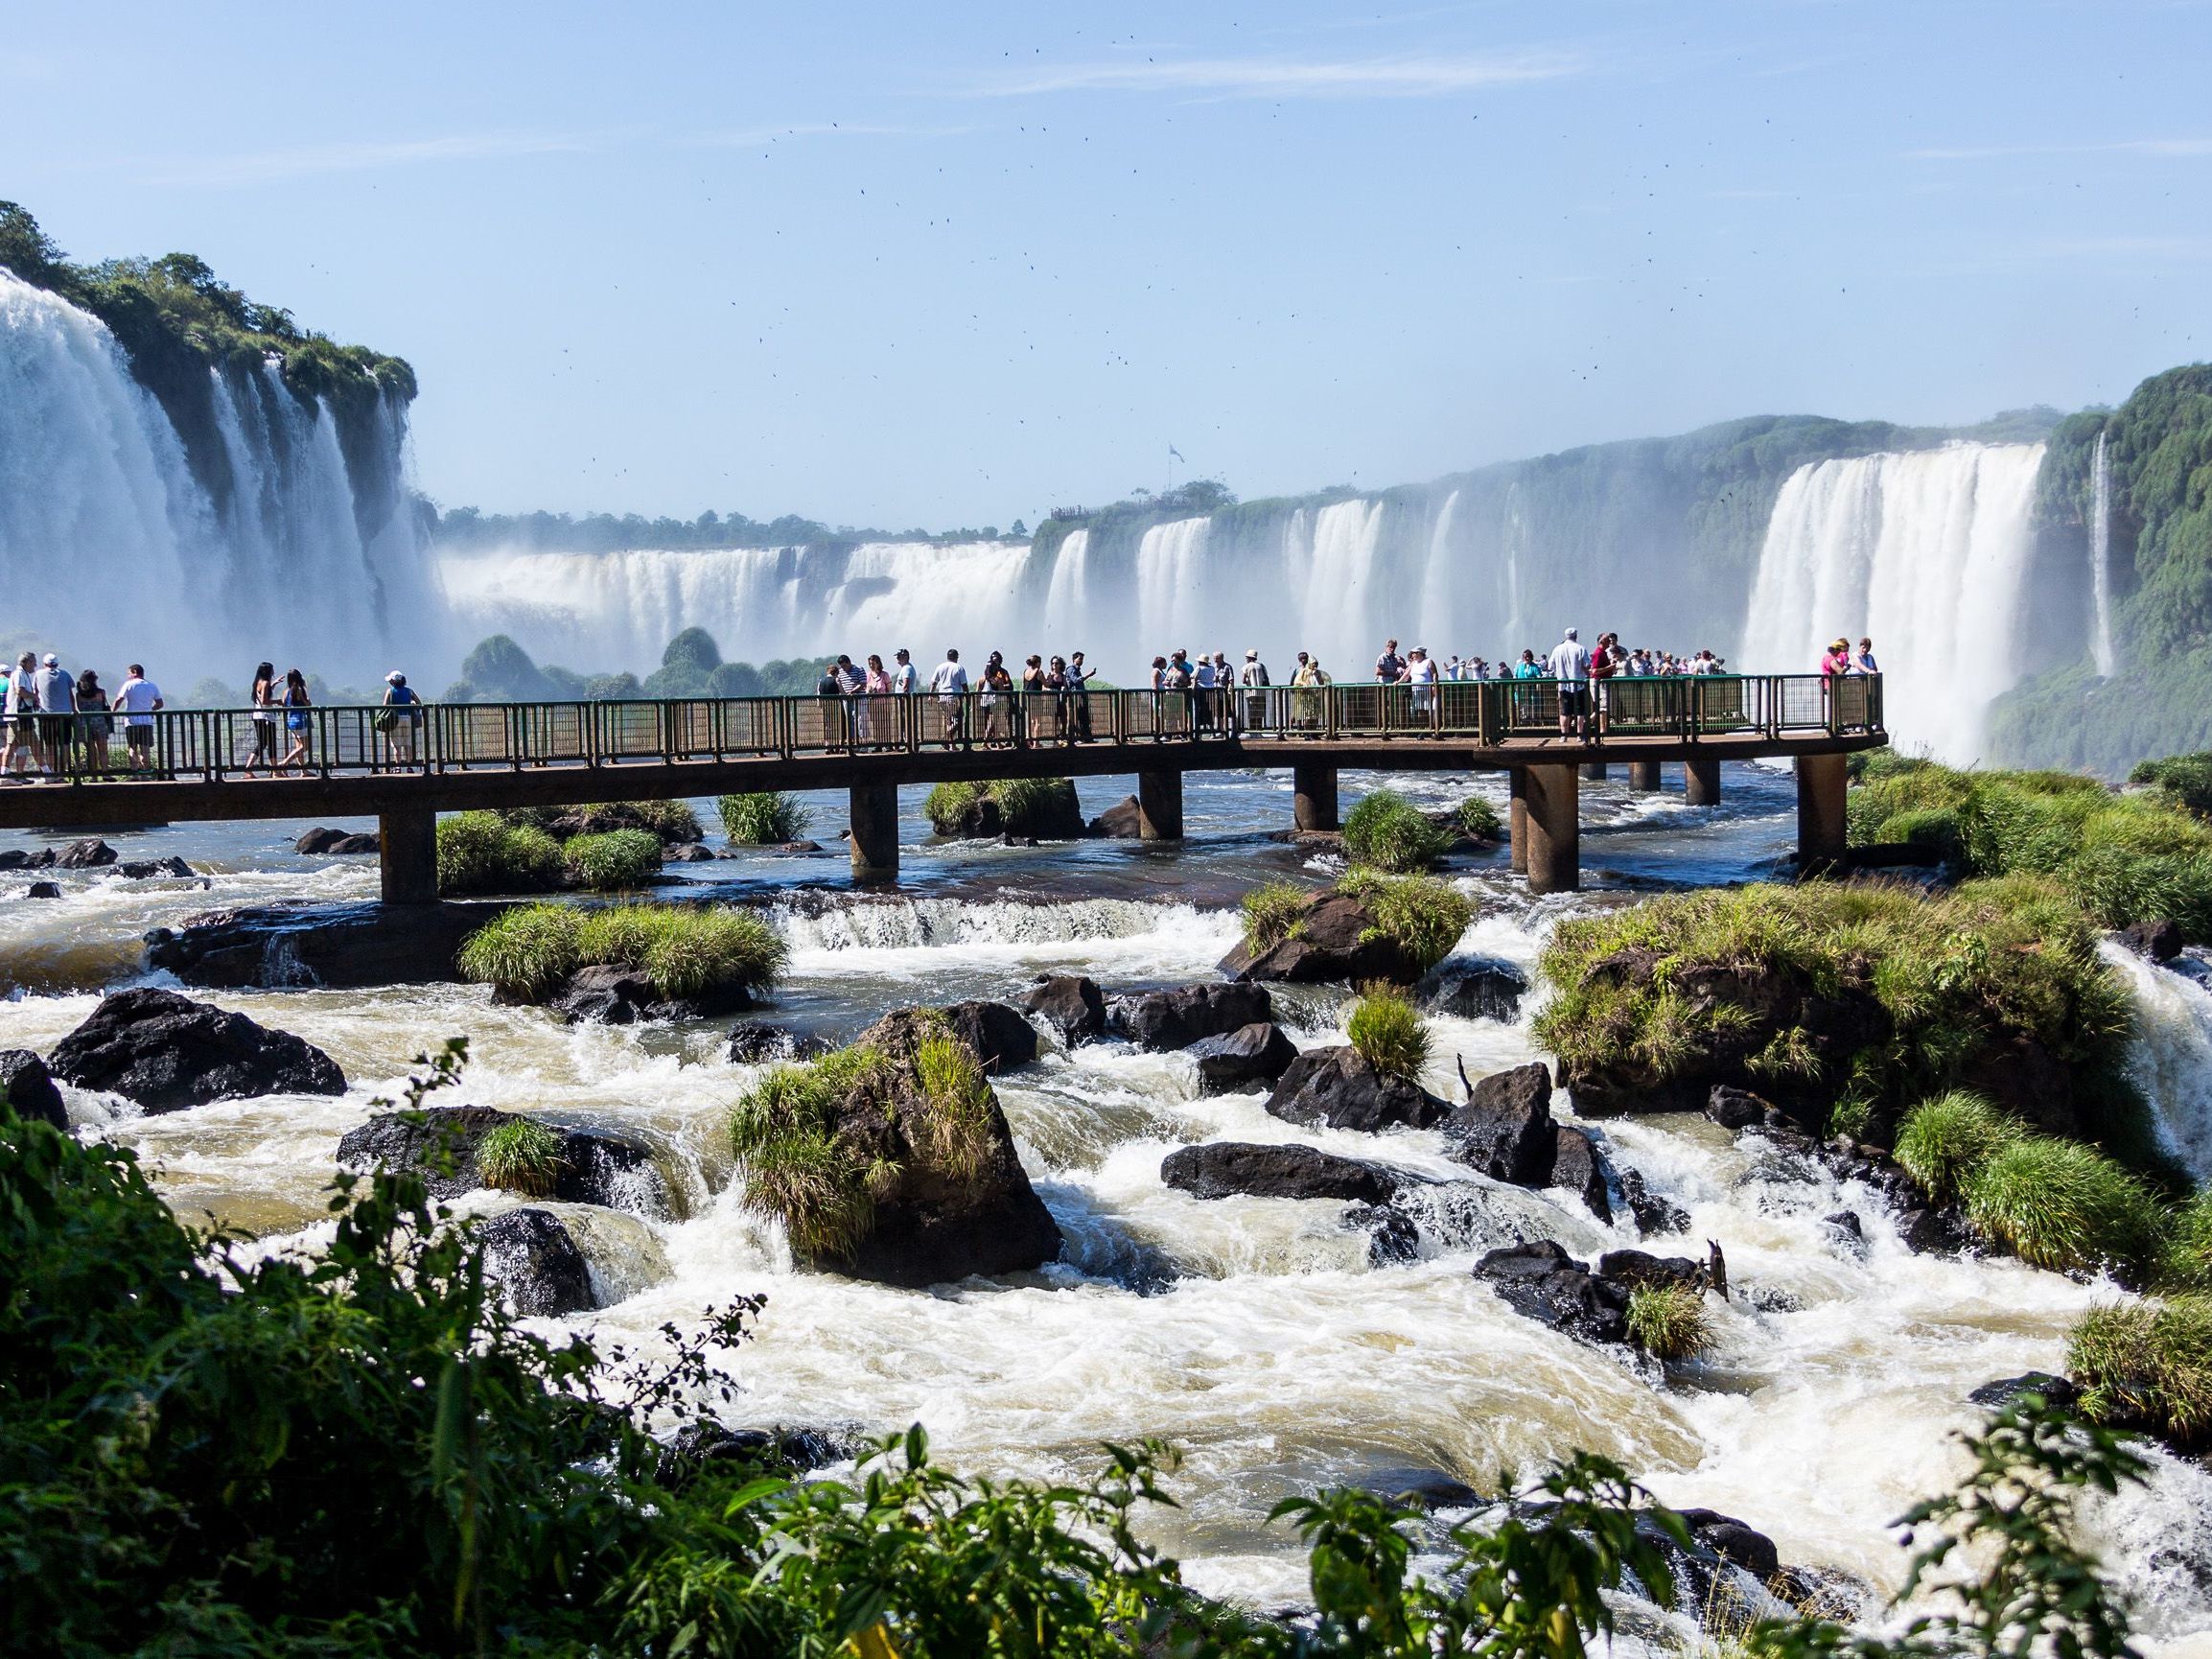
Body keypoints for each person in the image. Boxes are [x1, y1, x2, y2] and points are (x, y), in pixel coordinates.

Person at [112, 663, 163, 774]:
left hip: (131, 722)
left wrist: (111, 712)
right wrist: (150, 710)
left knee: (132, 748)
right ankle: (145, 773)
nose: (128, 676)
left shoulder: (129, 685)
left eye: (129, 673)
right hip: (147, 722)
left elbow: (118, 700)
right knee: (145, 750)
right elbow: (160, 703)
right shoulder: (152, 685)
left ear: (134, 672)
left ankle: (134, 772)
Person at [35, 653, 75, 778]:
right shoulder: (65, 674)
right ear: (57, 663)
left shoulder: (38, 675)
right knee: (65, 743)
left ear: (44, 664)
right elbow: (70, 694)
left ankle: (52, 771)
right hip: (65, 714)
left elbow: (35, 692)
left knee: (50, 744)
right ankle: (63, 771)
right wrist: (74, 709)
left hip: (47, 715)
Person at [1547, 627, 1592, 737]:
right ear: (1576, 636)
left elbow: (1550, 666)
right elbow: (1587, 665)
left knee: (1564, 712)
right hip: (1579, 684)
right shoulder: (1581, 648)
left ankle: (1564, 735)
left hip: (1563, 685)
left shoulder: (1557, 649)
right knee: (1581, 711)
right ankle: (1579, 734)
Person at [1, 650, 38, 780]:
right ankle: (48, 772)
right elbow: (20, 691)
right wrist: (35, 697)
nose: (35, 665)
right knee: (32, 744)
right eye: (33, 662)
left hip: (15, 716)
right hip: (19, 716)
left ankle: (7, 775)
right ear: (26, 662)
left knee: (13, 745)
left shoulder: (21, 674)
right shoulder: (19, 675)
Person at [378, 670, 421, 767]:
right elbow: (419, 703)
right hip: (407, 718)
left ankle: (398, 767)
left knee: (397, 745)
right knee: (407, 744)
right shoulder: (409, 691)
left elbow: (385, 706)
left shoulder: (390, 691)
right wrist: (412, 704)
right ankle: (409, 766)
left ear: (393, 681)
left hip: (395, 720)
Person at [244, 662, 280, 776]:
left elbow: (262, 696)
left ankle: (250, 769)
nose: (273, 672)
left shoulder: (258, 682)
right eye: (272, 670)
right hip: (266, 717)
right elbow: (265, 701)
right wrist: (278, 702)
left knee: (263, 742)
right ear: (268, 671)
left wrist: (273, 685)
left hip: (258, 716)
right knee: (269, 743)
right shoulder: (265, 683)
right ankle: (273, 770)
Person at [277, 668, 314, 774]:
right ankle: (284, 763)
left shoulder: (286, 691)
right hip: (300, 720)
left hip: (291, 720)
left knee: (299, 746)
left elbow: (284, 704)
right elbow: (308, 704)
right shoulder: (300, 689)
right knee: (305, 746)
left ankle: (303, 771)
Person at [76, 668, 112, 775]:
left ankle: (93, 775)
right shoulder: (101, 693)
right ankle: (106, 774)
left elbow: (79, 708)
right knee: (103, 751)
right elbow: (102, 705)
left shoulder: (79, 695)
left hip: (85, 724)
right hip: (100, 723)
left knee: (91, 752)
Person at [929, 647, 967, 747]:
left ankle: (952, 745)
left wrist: (930, 695)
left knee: (949, 721)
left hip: (942, 697)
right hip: (954, 697)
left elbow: (933, 683)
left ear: (947, 657)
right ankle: (946, 738)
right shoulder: (959, 668)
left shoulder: (940, 667)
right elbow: (964, 685)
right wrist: (967, 696)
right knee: (958, 720)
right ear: (956, 657)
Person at [1407, 645, 1440, 734]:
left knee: (1428, 709)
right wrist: (1398, 682)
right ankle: (1422, 729)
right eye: (1413, 653)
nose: (1413, 655)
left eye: (1415, 653)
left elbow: (1435, 674)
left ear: (1420, 653)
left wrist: (1434, 685)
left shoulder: (1428, 661)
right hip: (1416, 690)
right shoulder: (1413, 663)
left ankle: (1431, 729)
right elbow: (1406, 674)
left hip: (1427, 689)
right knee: (1419, 710)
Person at [1066, 650, 1095, 741]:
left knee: (1084, 717)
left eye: (1082, 659)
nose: (1082, 661)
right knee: (1078, 717)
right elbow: (1076, 680)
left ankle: (1086, 738)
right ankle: (1078, 738)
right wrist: (1089, 675)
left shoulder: (1077, 669)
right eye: (1080, 659)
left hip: (1081, 696)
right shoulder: (1071, 669)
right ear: (1074, 659)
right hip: (1076, 697)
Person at [1240, 647, 1270, 731]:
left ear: (1249, 658)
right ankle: (1259, 728)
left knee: (1252, 711)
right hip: (1261, 692)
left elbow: (1243, 680)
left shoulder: (1246, 667)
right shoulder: (1261, 666)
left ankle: (1252, 729)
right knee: (1260, 711)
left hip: (1251, 692)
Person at [1021, 653, 1049, 741]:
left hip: (1026, 699)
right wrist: (1049, 678)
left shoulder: (1025, 671)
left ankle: (1030, 740)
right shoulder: (1039, 671)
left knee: (1031, 721)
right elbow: (1046, 684)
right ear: (1037, 663)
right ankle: (1036, 742)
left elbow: (1023, 685)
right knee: (1038, 721)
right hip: (1036, 698)